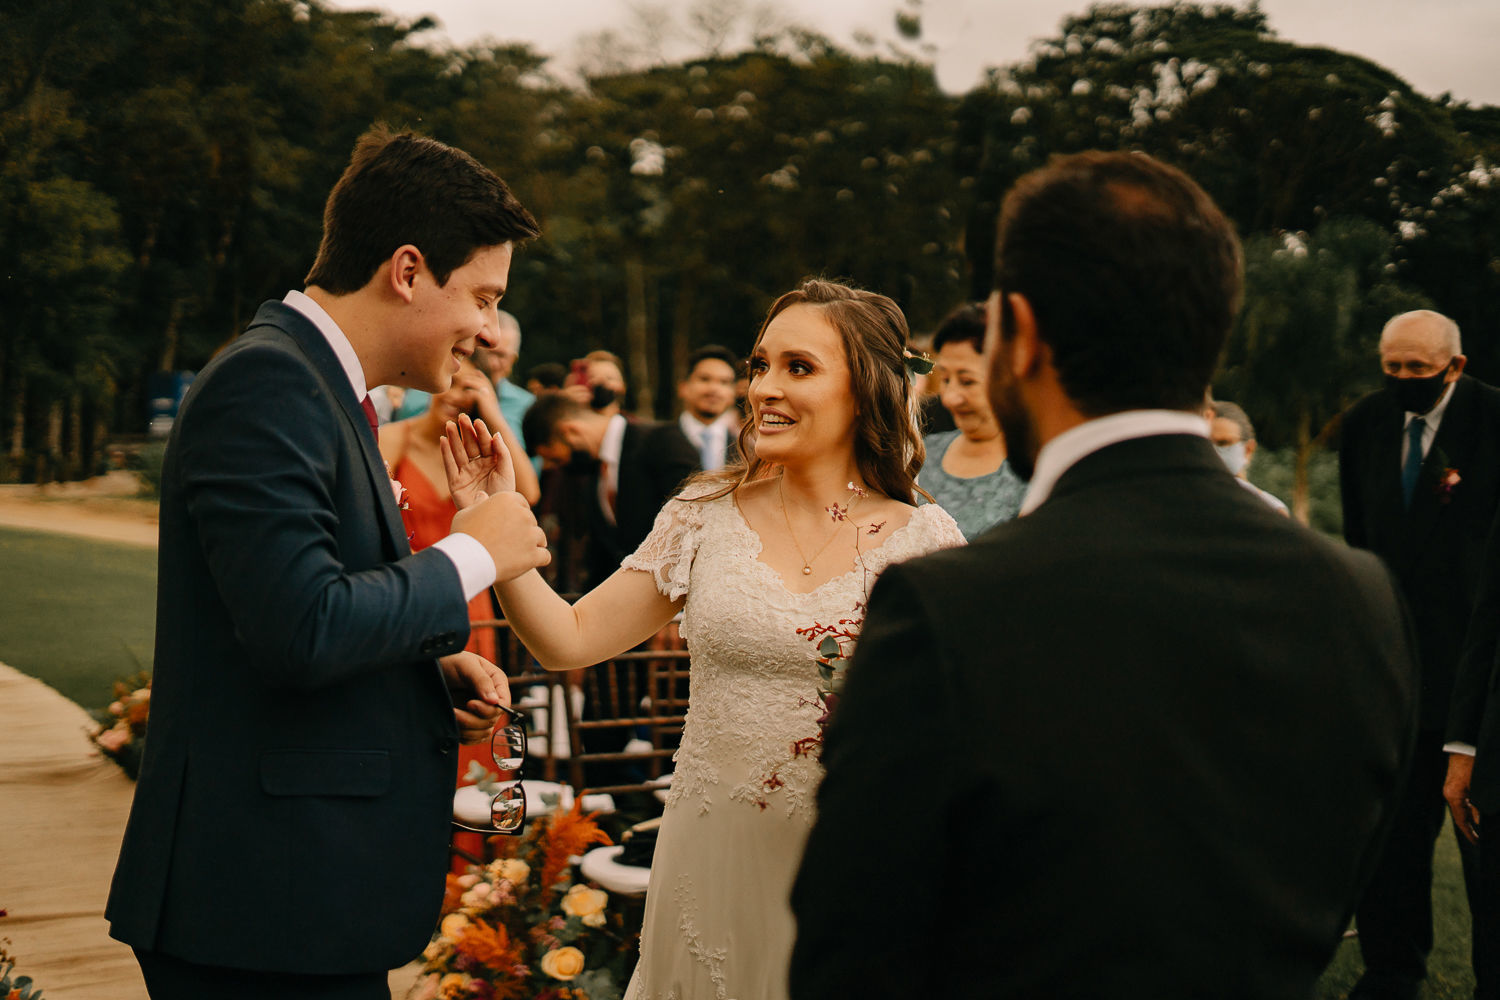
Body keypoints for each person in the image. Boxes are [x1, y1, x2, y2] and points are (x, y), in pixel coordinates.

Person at [789, 150, 1418, 999]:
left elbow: (848, 952)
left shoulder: (950, 610)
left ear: (1020, 332)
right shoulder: (1360, 598)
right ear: (1212, 327)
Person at [105, 125, 552, 1000]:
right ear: (410, 270)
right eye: (486, 296)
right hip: (259, 903)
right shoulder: (268, 383)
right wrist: (473, 552)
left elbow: (304, 603)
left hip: (293, 898)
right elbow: (299, 629)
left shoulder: (318, 385)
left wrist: (423, 670)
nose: (489, 331)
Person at [444, 277, 965, 1000]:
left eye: (799, 367)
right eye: (761, 366)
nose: (765, 389)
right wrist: (495, 524)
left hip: (856, 864)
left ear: (865, 388)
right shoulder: (702, 515)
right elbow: (569, 637)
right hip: (715, 854)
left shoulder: (926, 541)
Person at [1340, 308, 1500, 999]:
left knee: (1482, 847)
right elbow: (1357, 544)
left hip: (1475, 672)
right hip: (1393, 671)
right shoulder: (1365, 427)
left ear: (1454, 366)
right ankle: (1390, 973)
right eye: (1392, 367)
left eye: (1417, 369)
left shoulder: (1495, 423)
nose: (1402, 380)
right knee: (1392, 846)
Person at [522, 391, 700, 590]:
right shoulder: (595, 475)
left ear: (570, 431)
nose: (561, 467)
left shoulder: (662, 440)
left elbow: (694, 524)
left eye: (556, 459)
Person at [918, 302, 1027, 539]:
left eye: (967, 381)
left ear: (1009, 378)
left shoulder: (1034, 466)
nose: (949, 398)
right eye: (945, 379)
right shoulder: (920, 454)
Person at [1208, 399, 1288, 514]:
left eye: (1223, 443)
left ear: (1248, 450)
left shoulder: (1271, 508)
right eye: (1206, 442)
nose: (1214, 450)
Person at [476, 310, 535, 453]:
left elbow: (531, 471)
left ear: (512, 361)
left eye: (500, 356)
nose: (491, 364)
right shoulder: (428, 396)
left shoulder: (528, 407)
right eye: (486, 353)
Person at [677, 344, 741, 471]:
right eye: (704, 379)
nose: (714, 389)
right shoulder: (654, 443)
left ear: (733, 393)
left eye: (724, 382)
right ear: (683, 387)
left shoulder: (744, 452)